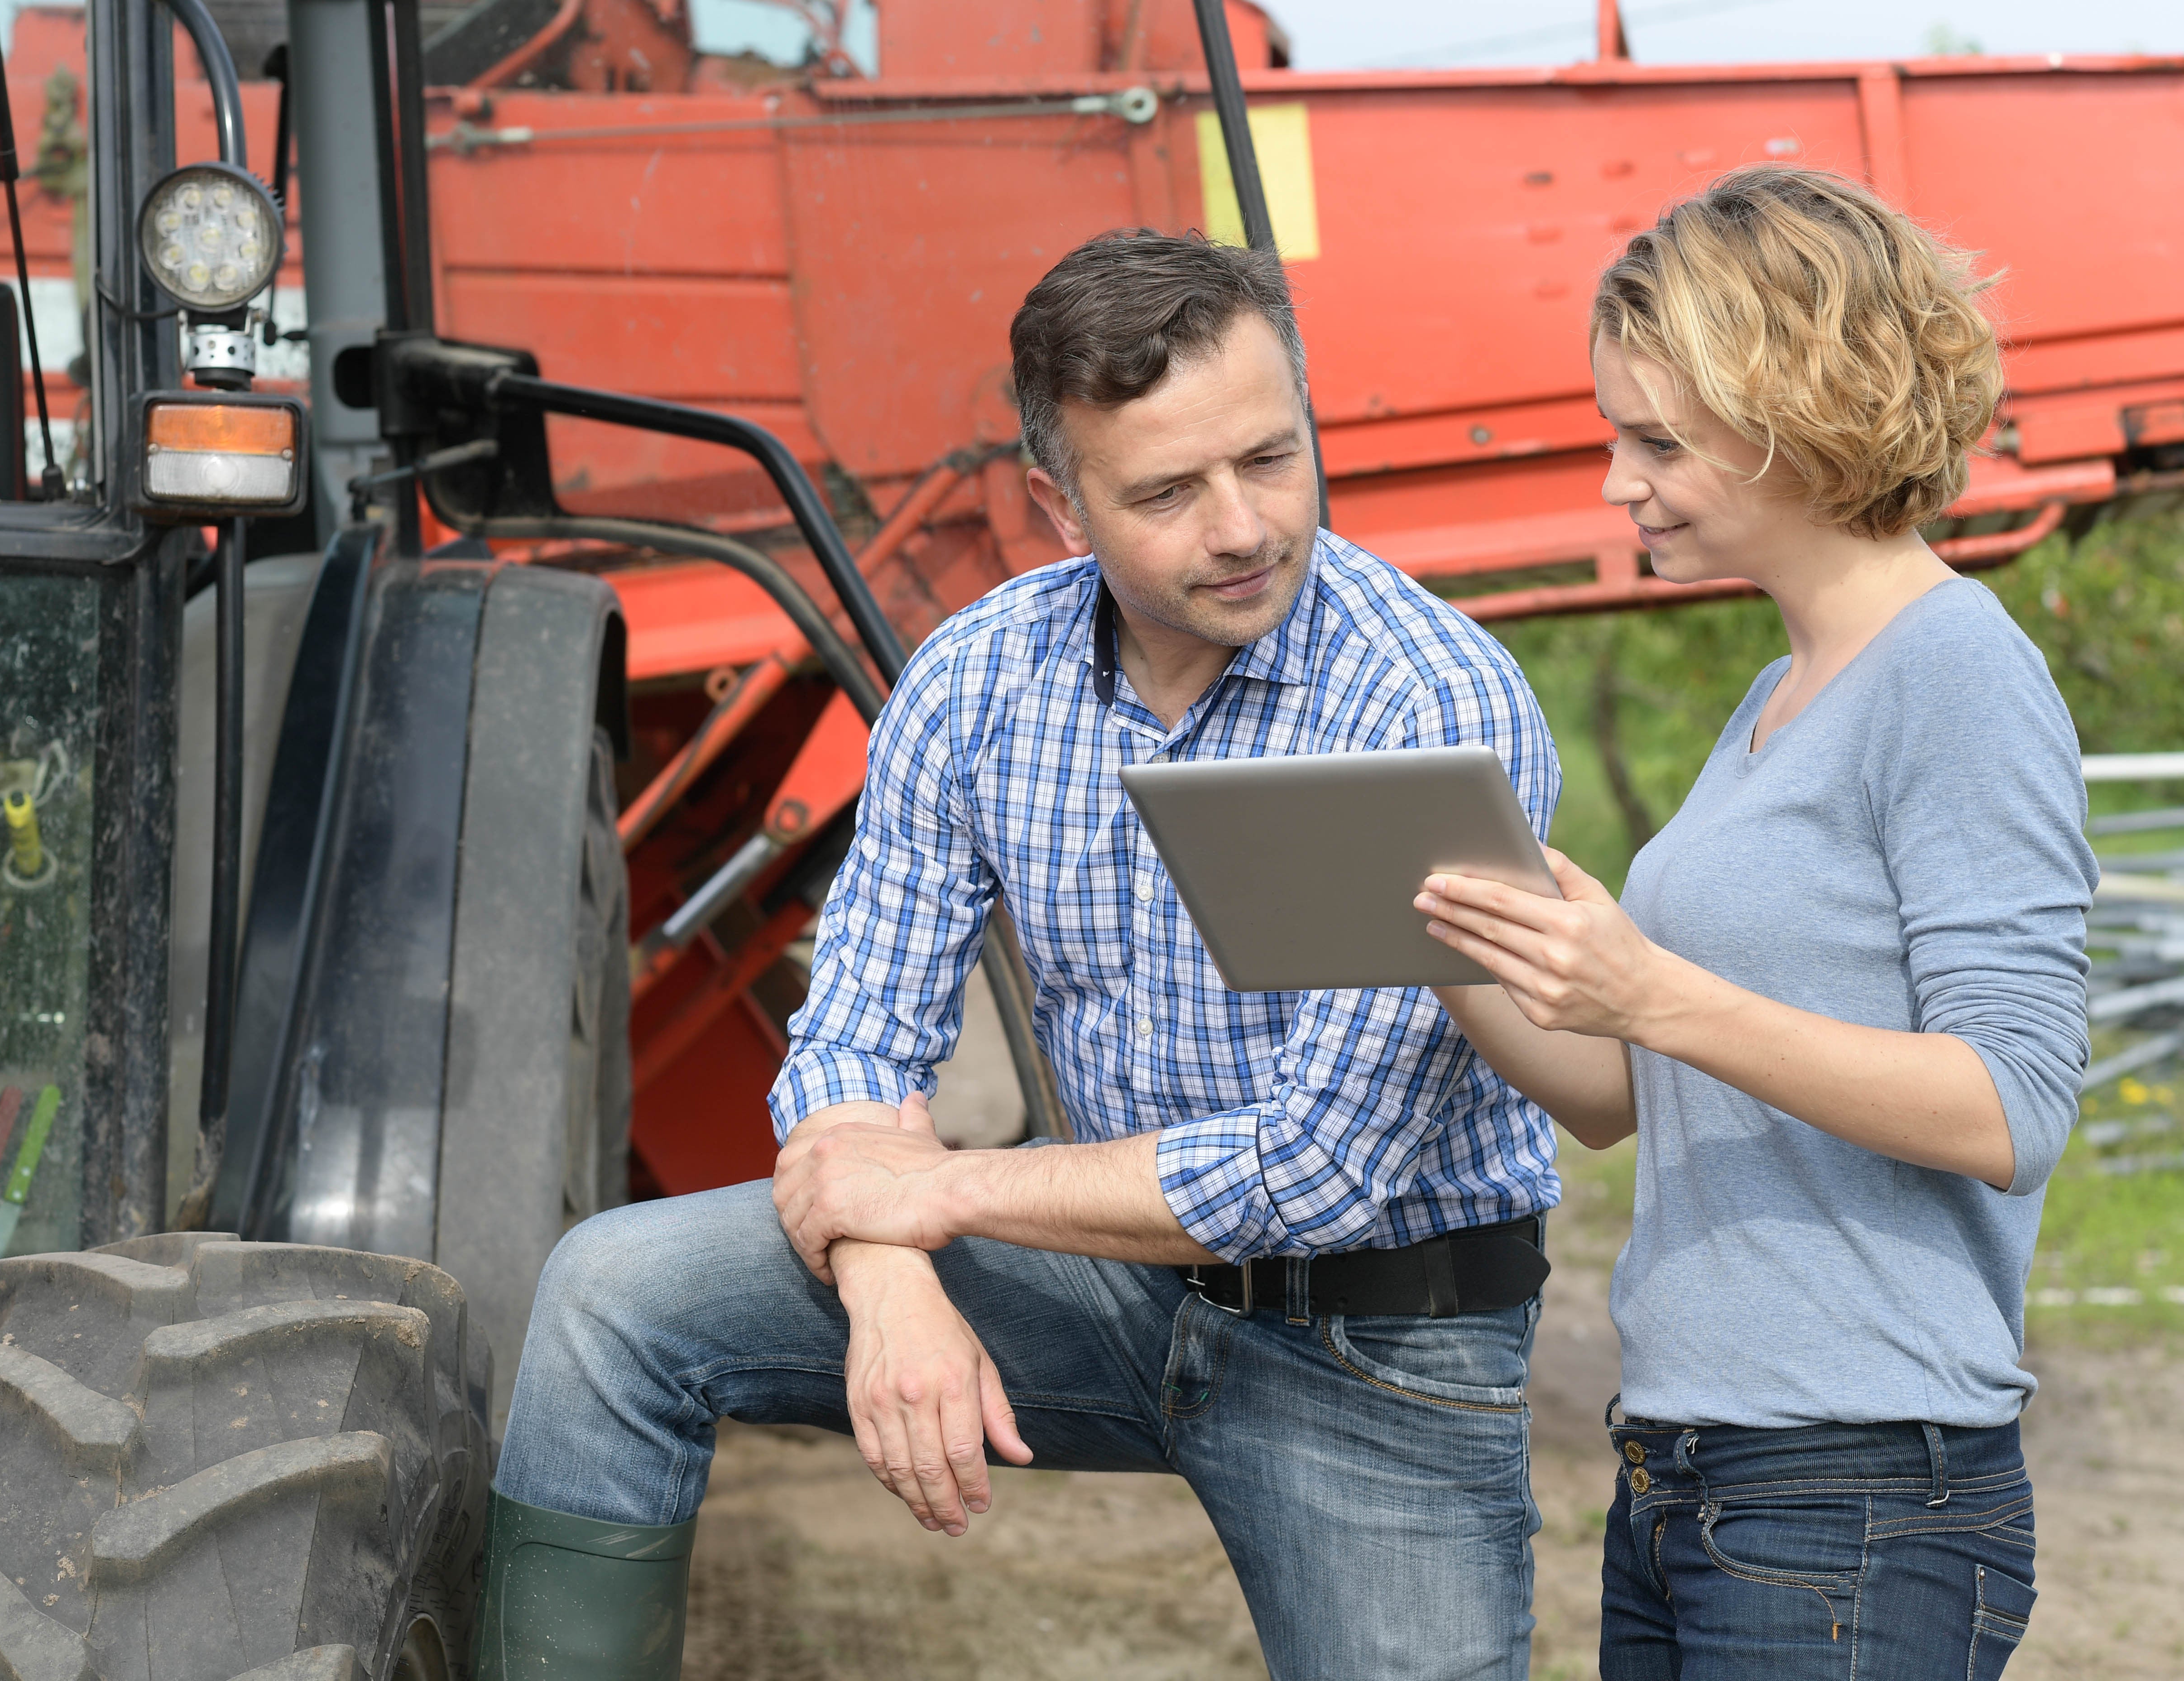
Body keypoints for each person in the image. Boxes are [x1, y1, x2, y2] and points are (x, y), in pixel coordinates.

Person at [478, 229, 1567, 1680]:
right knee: (615, 1296)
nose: (1242, 527)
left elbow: (1316, 1172)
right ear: (1061, 508)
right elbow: (857, 1042)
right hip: (1114, 1286)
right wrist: (889, 1278)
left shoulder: (1429, 704)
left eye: (1271, 457)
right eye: (1169, 492)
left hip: (1378, 1335)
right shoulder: (980, 678)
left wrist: (930, 1191)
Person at [1413, 165, 2092, 1680]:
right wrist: (1437, 934)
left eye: (1656, 439)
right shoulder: (1772, 702)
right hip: (1688, 1476)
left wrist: (1655, 991)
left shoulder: (1957, 677)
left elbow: (2015, 1103)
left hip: (1855, 1496)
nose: (1616, 480)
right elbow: (1617, 1102)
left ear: (1802, 412)